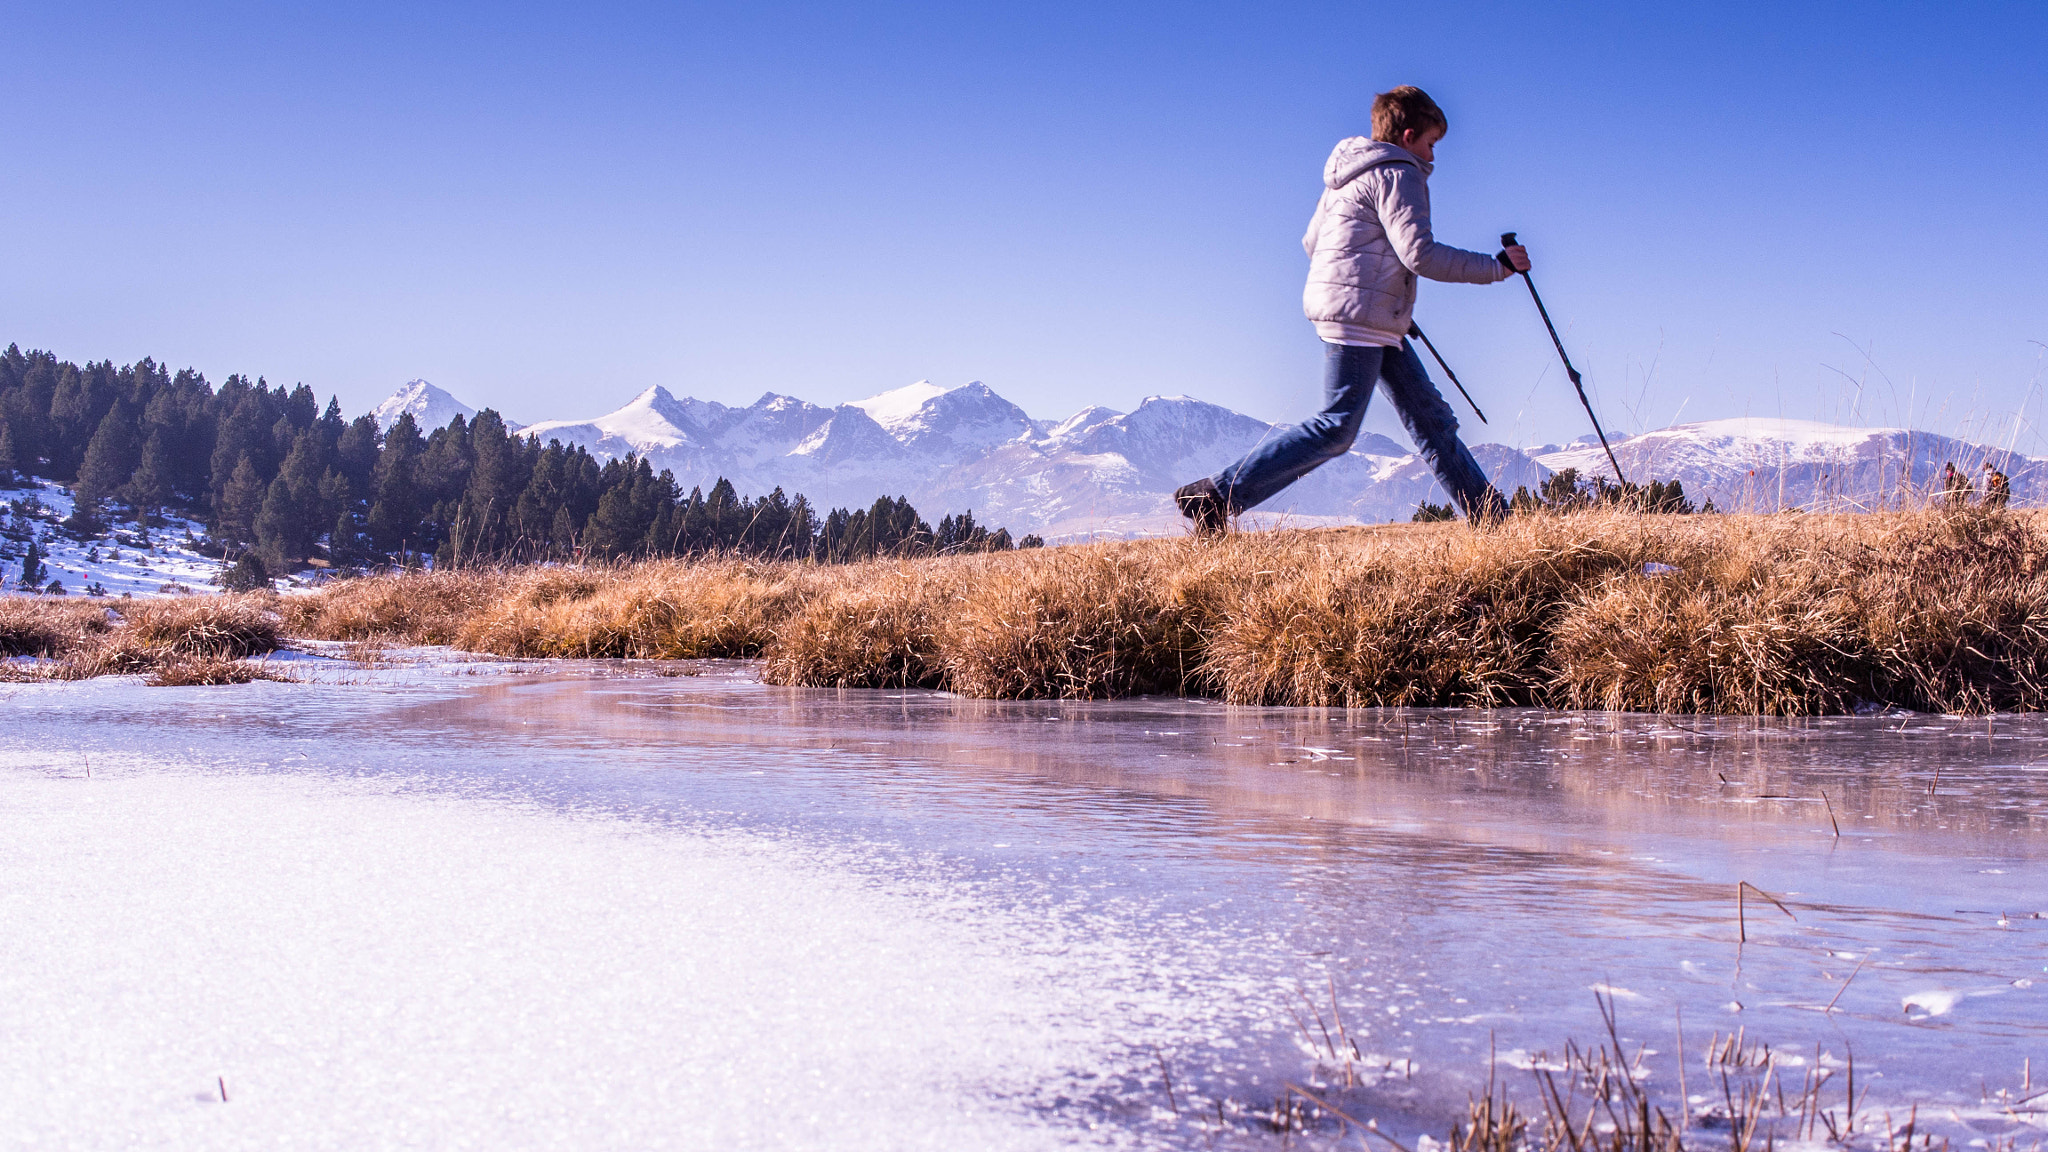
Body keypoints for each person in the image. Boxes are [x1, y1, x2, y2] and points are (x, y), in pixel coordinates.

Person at [1175, 86, 1528, 536]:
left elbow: (1312, 243)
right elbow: (1420, 254)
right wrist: (1497, 268)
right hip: (1359, 318)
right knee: (1337, 427)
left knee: (1431, 421)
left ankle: (1494, 520)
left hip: (1365, 315)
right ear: (1407, 135)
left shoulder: (1347, 176)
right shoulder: (1401, 173)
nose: (1433, 156)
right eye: (1430, 143)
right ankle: (1214, 496)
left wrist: (1375, 287)